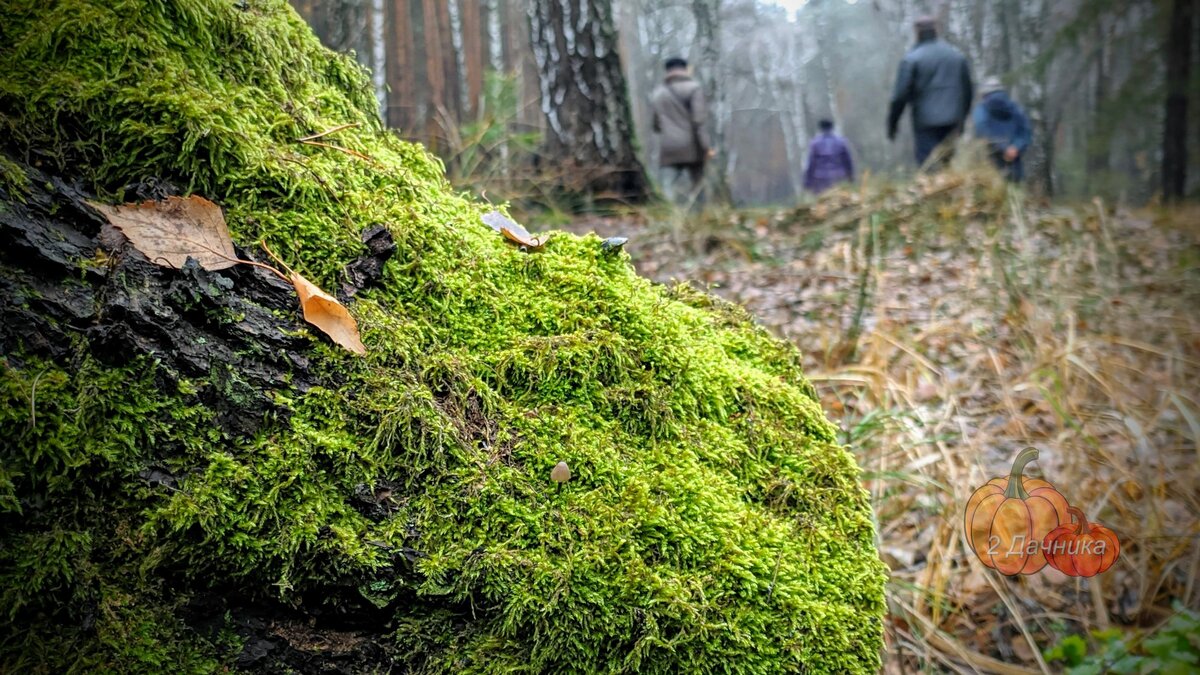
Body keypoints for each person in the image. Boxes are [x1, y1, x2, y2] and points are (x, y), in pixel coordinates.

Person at [887, 16, 974, 168]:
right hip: (952, 121)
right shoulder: (956, 56)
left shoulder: (911, 59)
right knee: (948, 165)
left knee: (928, 167)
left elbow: (900, 96)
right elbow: (968, 91)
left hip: (925, 123)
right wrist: (962, 120)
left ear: (917, 32)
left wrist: (892, 124)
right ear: (936, 30)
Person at [651, 57, 714, 206]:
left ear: (667, 71)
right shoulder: (693, 88)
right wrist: (706, 148)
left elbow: (655, 125)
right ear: (685, 69)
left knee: (669, 186)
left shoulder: (658, 93)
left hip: (668, 147)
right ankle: (700, 217)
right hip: (692, 145)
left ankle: (669, 216)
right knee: (698, 185)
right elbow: (699, 120)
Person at [973, 77, 1032, 182]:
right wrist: (1015, 147)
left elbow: (982, 129)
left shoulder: (981, 109)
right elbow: (1025, 130)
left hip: (990, 158)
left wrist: (1002, 147)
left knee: (991, 192)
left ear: (984, 94)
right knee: (1014, 188)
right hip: (1014, 159)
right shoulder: (1015, 107)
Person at [804, 119, 855, 194]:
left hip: (821, 178)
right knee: (841, 200)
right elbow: (848, 160)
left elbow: (811, 164)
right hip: (839, 176)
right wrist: (850, 176)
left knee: (823, 202)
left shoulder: (815, 143)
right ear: (832, 127)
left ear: (820, 128)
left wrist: (808, 182)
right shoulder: (841, 141)